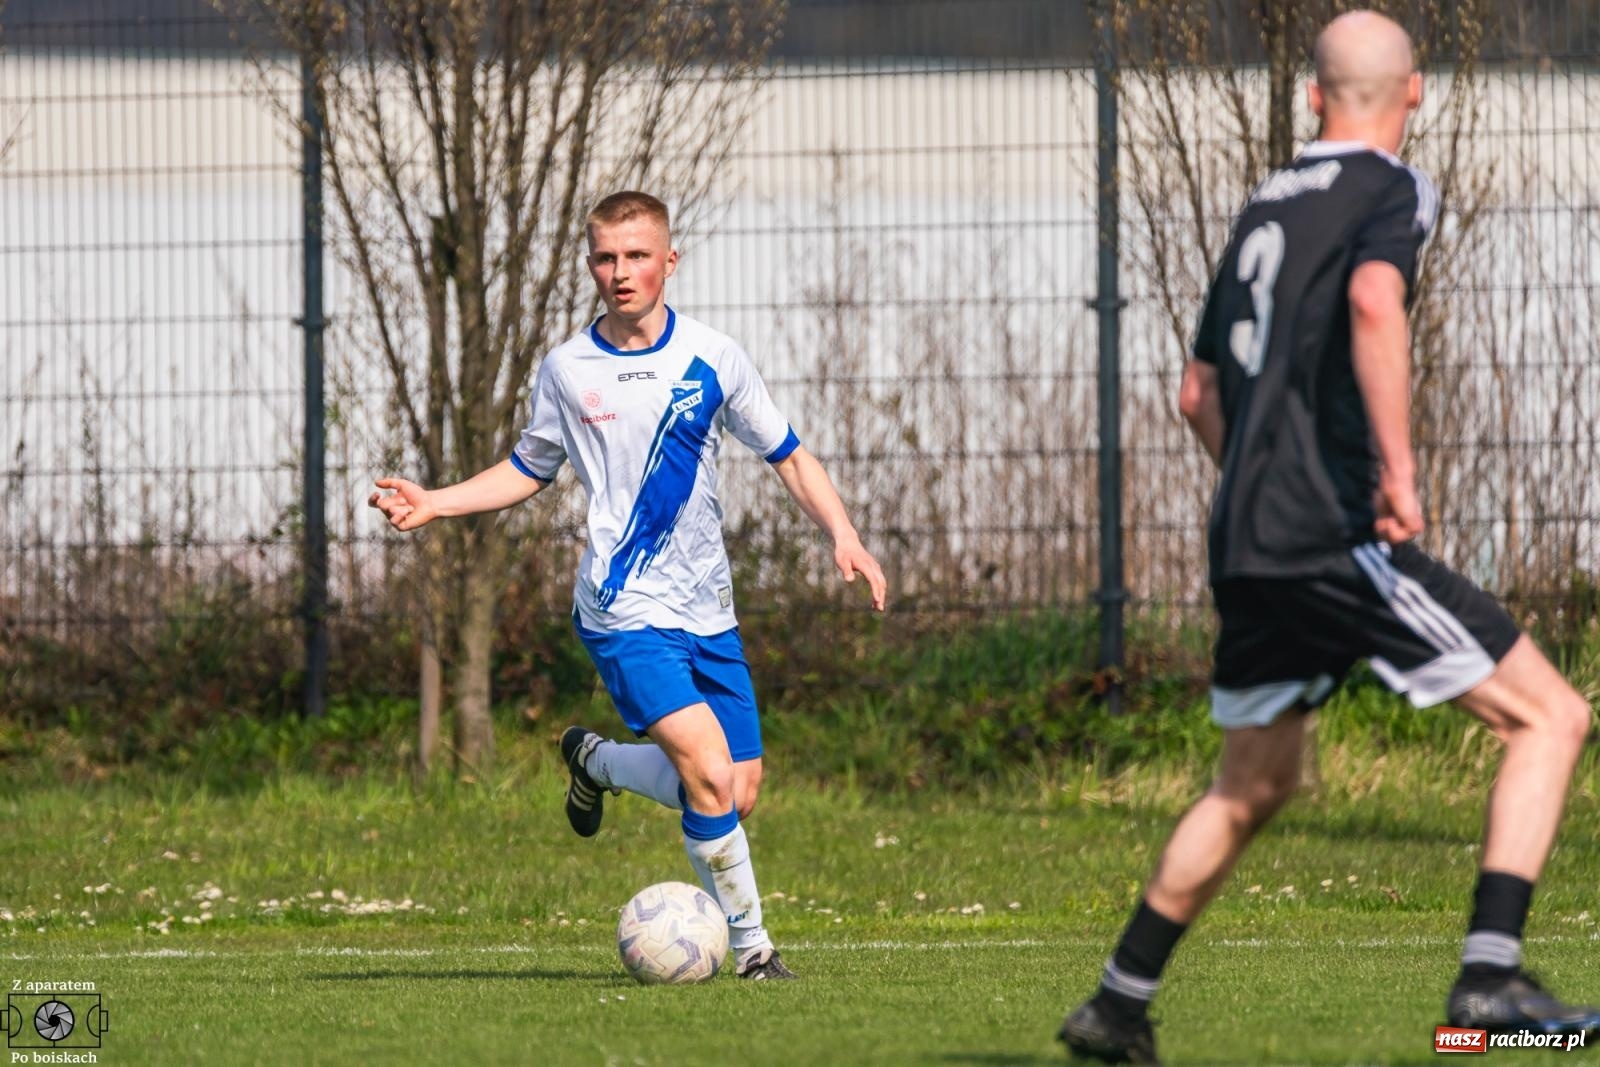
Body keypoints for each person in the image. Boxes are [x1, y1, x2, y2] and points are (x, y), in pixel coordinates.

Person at [1058, 11, 1597, 1063]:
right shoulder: (1387, 188)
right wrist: (1394, 472)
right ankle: (1487, 979)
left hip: (1248, 538)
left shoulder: (1266, 202)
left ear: (1311, 97)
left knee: (1251, 783)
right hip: (1330, 531)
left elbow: (1194, 392)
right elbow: (1372, 302)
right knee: (1550, 715)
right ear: (1414, 94)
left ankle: (1116, 1006)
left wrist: (1260, 496)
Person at [370, 190, 887, 981]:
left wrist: (843, 532)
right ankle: (753, 951)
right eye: (607, 258)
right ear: (591, 265)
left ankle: (598, 763)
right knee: (708, 770)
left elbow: (789, 452)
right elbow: (527, 468)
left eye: (637, 256)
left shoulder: (713, 358)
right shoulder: (569, 370)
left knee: (736, 792)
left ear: (667, 262)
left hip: (708, 609)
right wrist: (435, 502)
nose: (621, 272)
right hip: (623, 611)